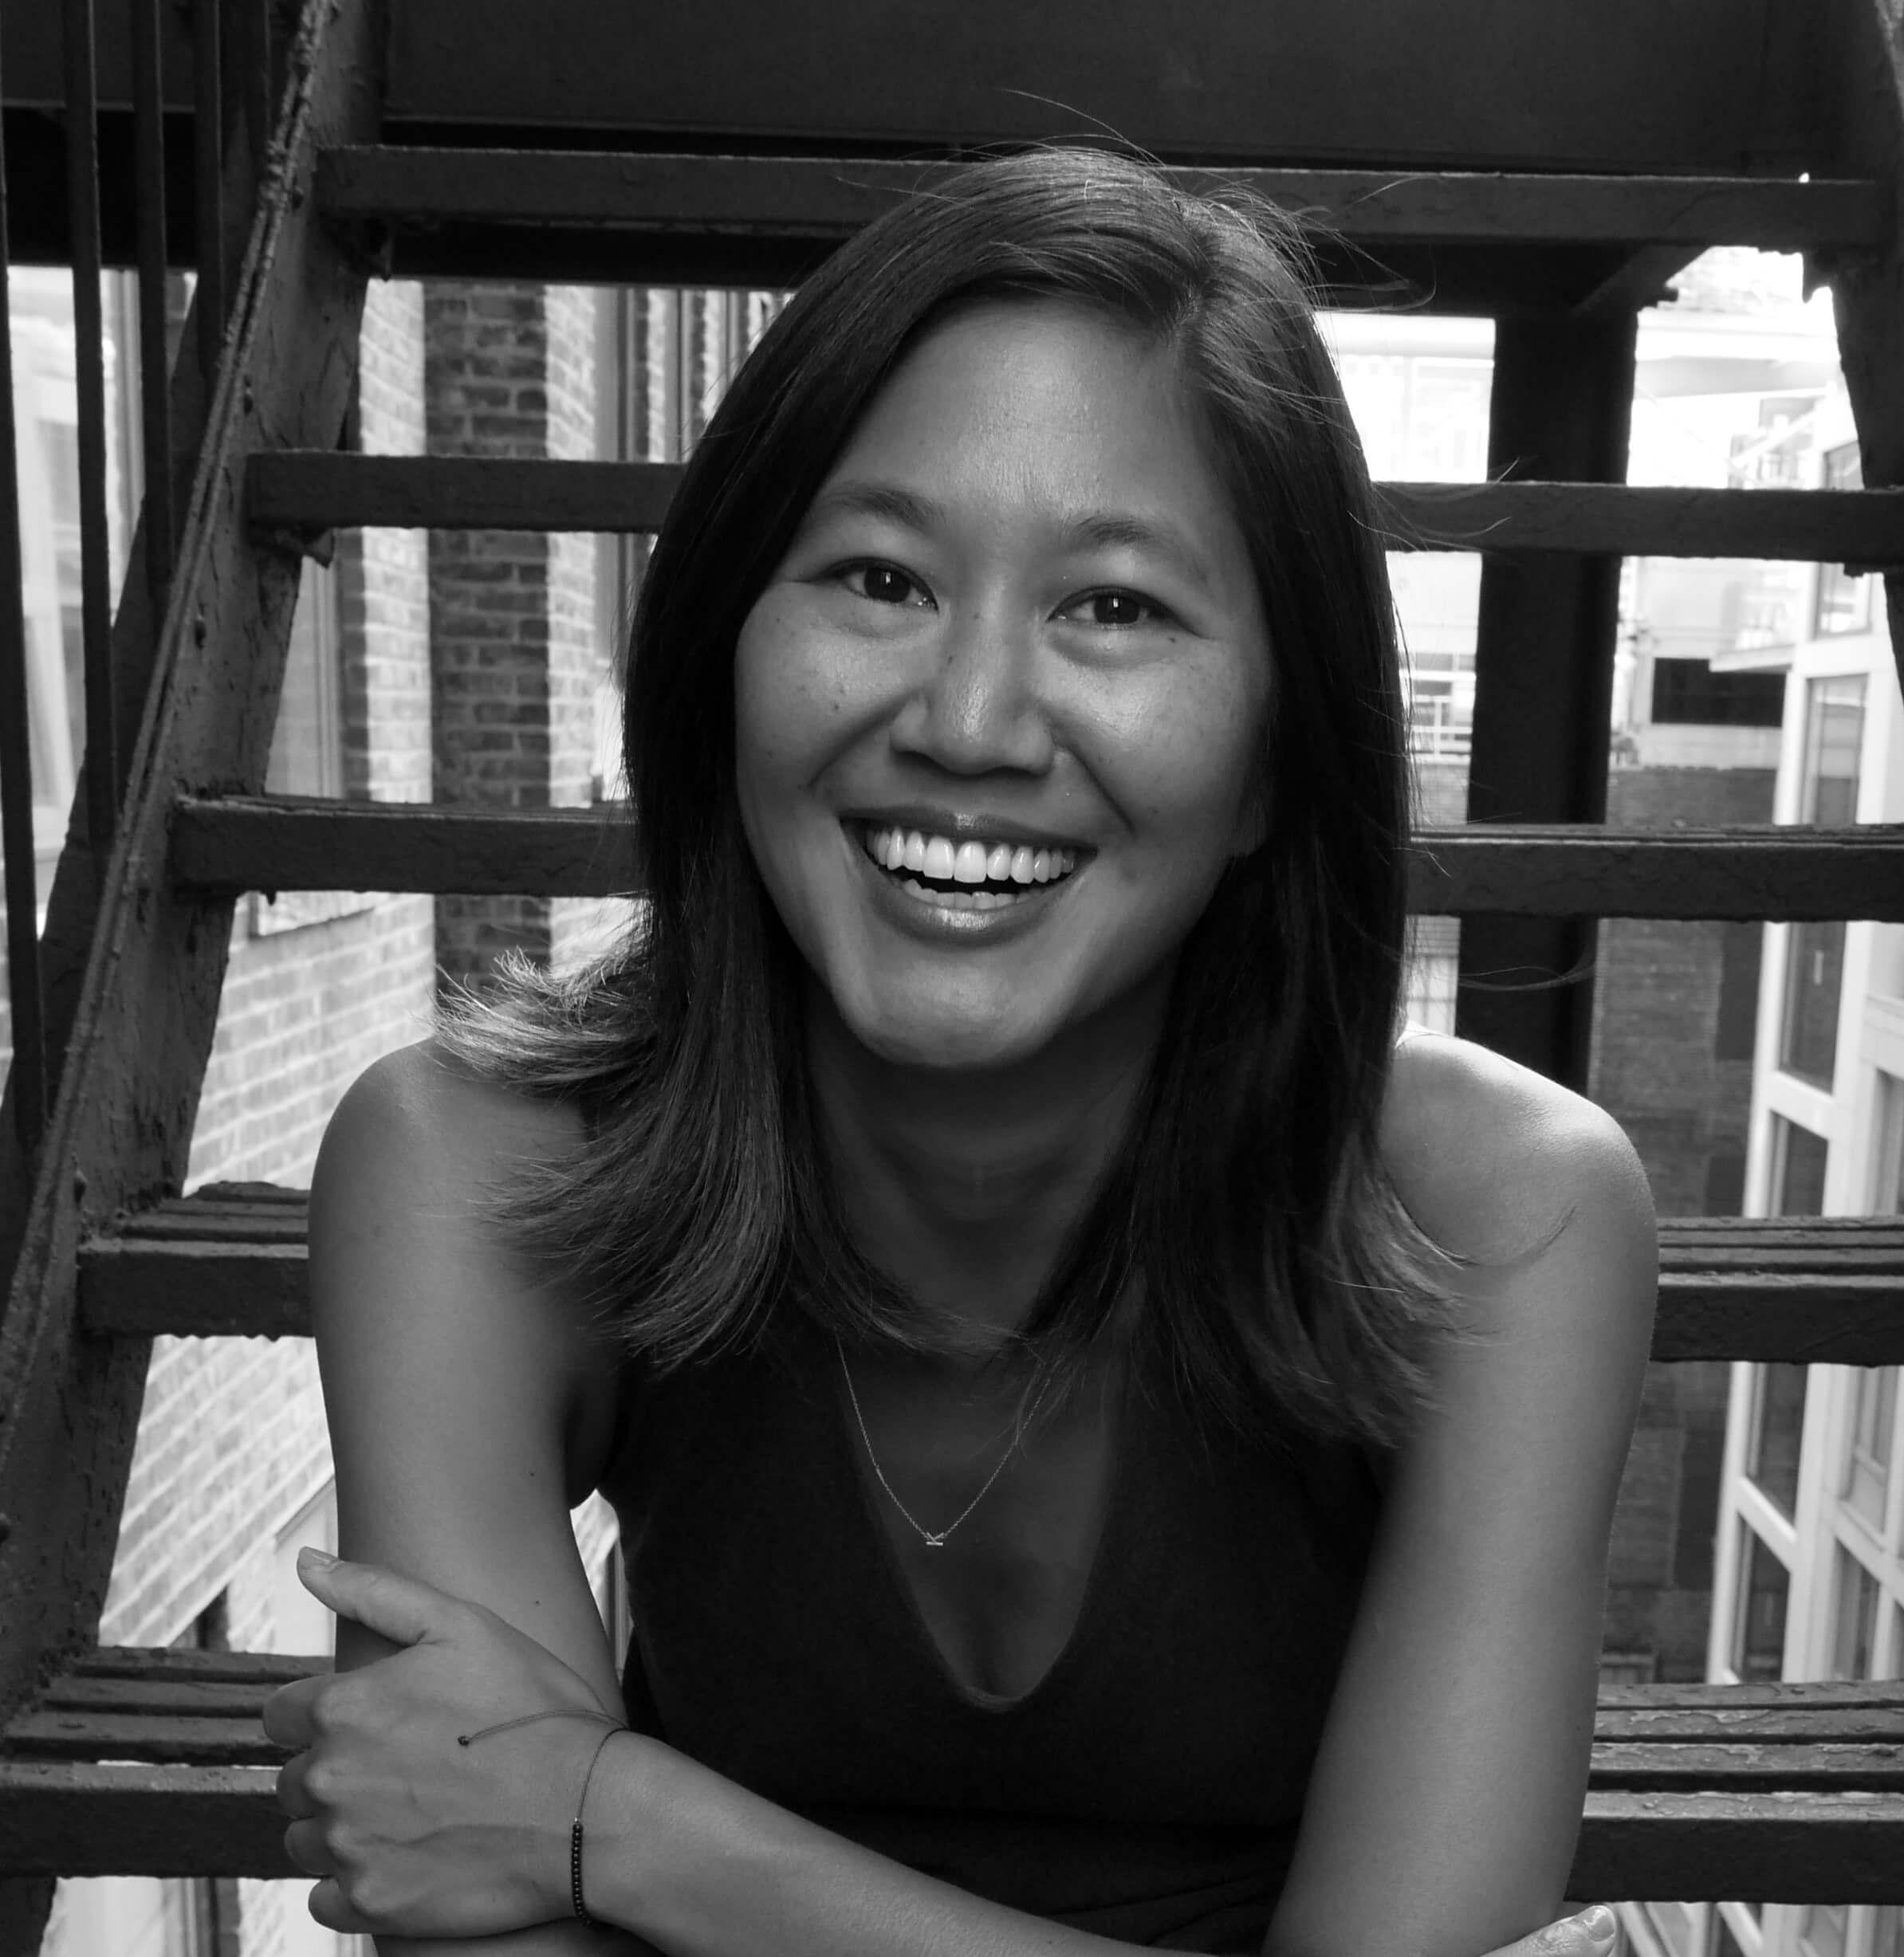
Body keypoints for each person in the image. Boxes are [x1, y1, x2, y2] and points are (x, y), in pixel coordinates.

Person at [263, 147, 1658, 1957]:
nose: (974, 722)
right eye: (878, 577)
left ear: (1271, 759)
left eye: (1114, 606)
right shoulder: (472, 1173)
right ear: (720, 656)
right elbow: (461, 1884)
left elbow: (520, 1828)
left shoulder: (1500, 1213)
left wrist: (628, 1824)